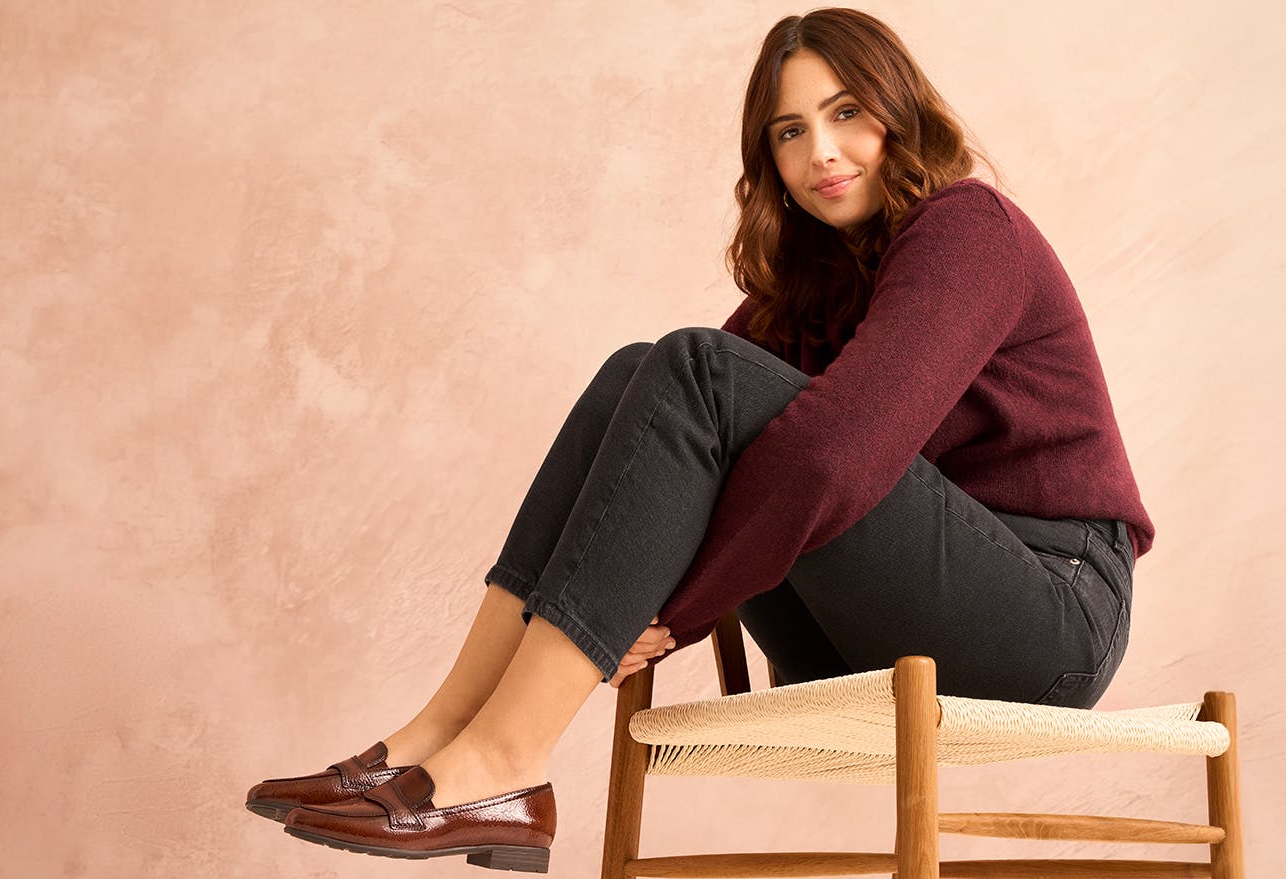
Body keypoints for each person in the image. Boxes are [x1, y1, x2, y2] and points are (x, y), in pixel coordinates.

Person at [260, 7, 1154, 870]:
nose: (822, 153)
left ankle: (503, 763)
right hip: (861, 632)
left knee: (700, 370)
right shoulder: (814, 284)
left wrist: (668, 615)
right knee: (638, 375)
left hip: (1043, 622)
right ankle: (436, 734)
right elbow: (669, 419)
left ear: (900, 111)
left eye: (846, 114)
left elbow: (836, 459)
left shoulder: (969, 229)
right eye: (789, 132)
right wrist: (632, 600)